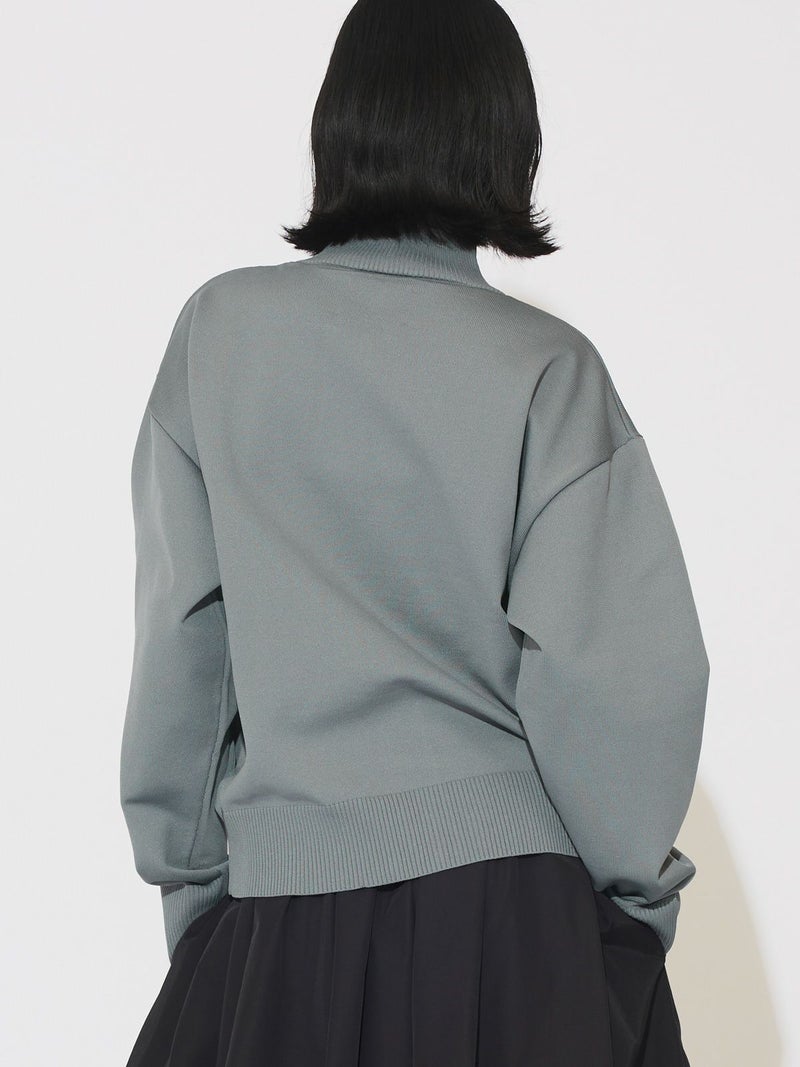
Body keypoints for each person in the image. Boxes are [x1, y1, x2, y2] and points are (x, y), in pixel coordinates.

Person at [120, 0, 710, 1064]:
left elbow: (186, 645)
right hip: (515, 930)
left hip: (279, 913)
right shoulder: (547, 369)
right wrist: (628, 914)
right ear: (507, 140)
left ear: (339, 123)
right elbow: (626, 684)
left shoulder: (220, 335)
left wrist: (207, 901)